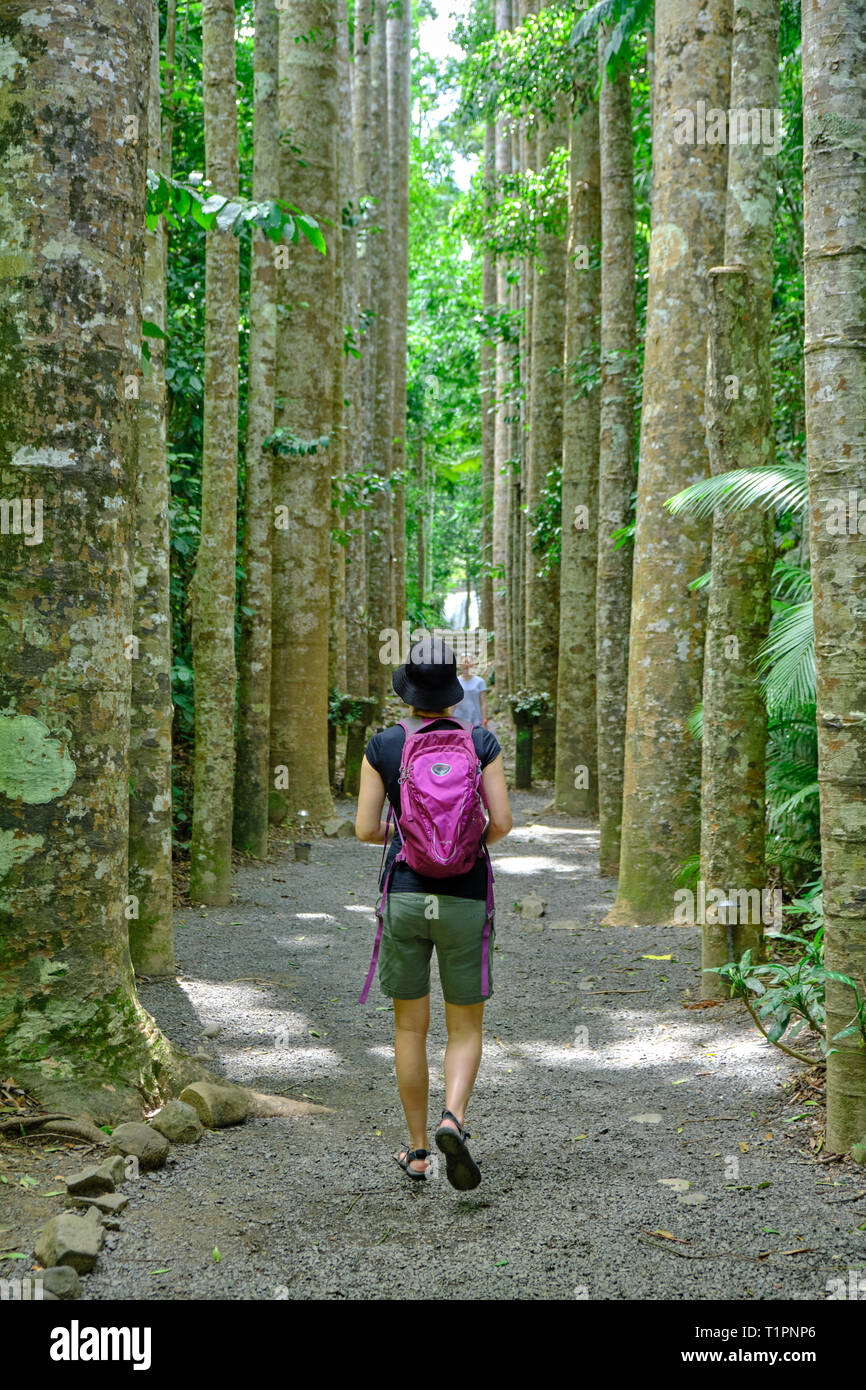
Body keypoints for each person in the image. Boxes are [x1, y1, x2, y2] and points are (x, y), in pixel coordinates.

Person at [355, 638, 512, 1189]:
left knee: (409, 1027)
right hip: (465, 895)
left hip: (404, 892)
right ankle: (454, 1119)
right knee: (464, 1024)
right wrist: (464, 846)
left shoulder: (384, 747)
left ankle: (419, 1150)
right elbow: (503, 822)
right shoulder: (481, 742)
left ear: (409, 692)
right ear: (451, 692)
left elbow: (365, 829)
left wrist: (405, 836)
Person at [451, 655, 488, 729]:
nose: (466, 665)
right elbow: (452, 704)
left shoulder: (480, 682)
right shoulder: (455, 682)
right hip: (458, 720)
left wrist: (485, 721)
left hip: (476, 720)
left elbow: (483, 703)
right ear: (460, 665)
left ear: (472, 665)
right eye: (464, 662)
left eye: (468, 662)